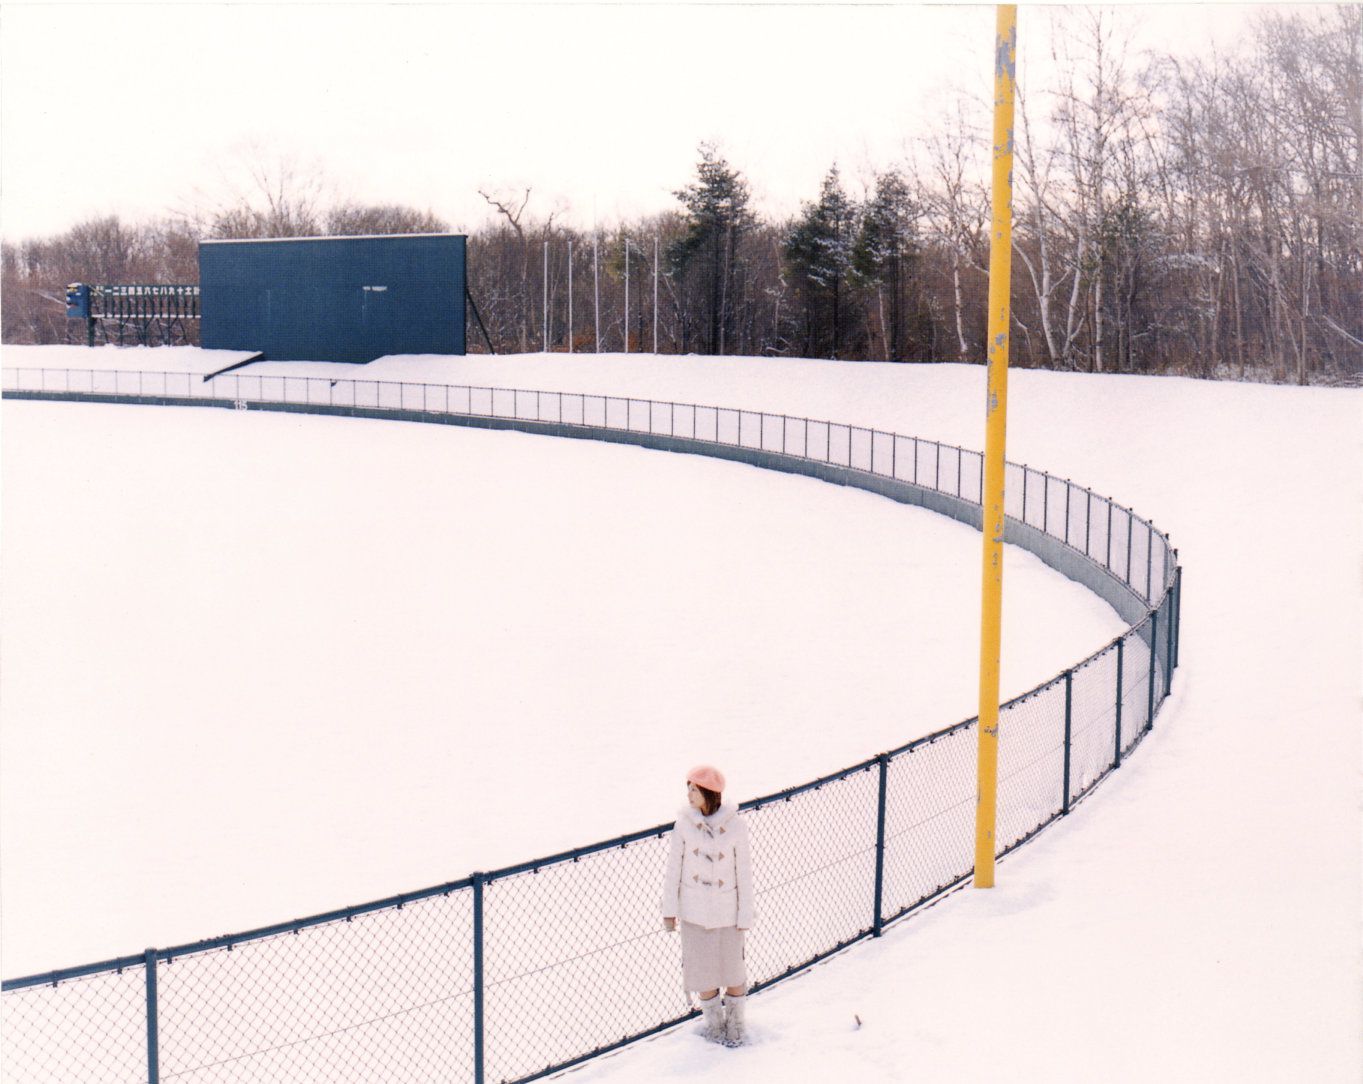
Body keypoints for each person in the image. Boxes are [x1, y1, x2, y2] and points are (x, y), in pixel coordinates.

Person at [661, 764, 754, 1046]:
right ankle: (714, 1026)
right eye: (688, 788)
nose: (690, 794)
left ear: (709, 793)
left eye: (695, 789)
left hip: (727, 911)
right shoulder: (684, 825)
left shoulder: (736, 826)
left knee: (733, 970)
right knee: (703, 973)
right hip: (694, 913)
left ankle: (736, 1026)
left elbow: (744, 873)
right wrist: (669, 912)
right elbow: (673, 869)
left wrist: (744, 914)